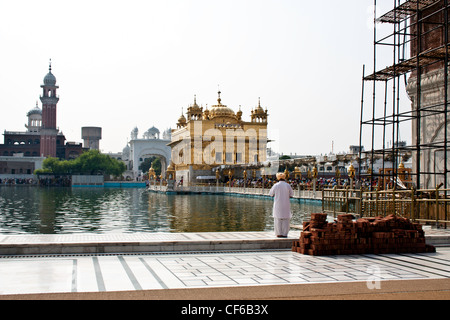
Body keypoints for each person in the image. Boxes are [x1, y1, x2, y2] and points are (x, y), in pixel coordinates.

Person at [269, 172, 294, 238]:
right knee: (286, 220)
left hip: (278, 204)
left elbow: (271, 193)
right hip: (286, 204)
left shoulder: (276, 185)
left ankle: (278, 233)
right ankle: (285, 234)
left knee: (277, 220)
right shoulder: (287, 185)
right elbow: (291, 194)